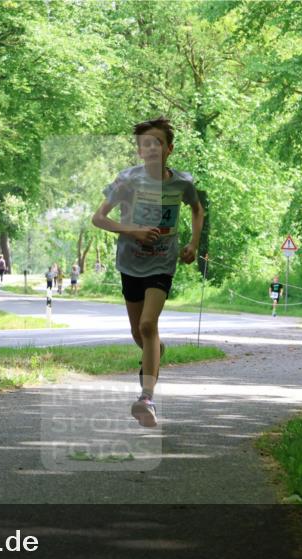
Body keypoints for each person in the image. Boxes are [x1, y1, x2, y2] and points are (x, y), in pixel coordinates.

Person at [92, 116, 205, 427]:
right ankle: (156, 350)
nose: (152, 148)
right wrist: (133, 231)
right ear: (140, 151)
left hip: (162, 263)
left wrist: (193, 244)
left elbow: (197, 210)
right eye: (146, 144)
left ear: (169, 148)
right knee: (138, 333)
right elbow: (98, 218)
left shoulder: (182, 183)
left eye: (157, 142)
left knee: (147, 325)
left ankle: (146, 398)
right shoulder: (127, 180)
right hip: (130, 262)